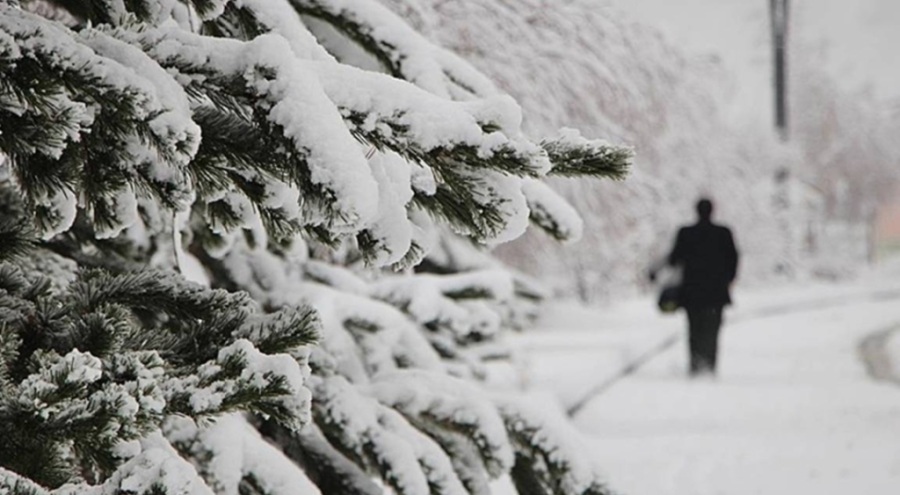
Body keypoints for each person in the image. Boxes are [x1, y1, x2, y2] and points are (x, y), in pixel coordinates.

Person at [661, 198, 739, 376]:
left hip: (692, 292)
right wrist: (728, 279)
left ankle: (695, 365)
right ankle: (710, 365)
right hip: (716, 292)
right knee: (712, 329)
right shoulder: (723, 233)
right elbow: (733, 259)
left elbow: (674, 259)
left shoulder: (686, 233)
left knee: (694, 328)